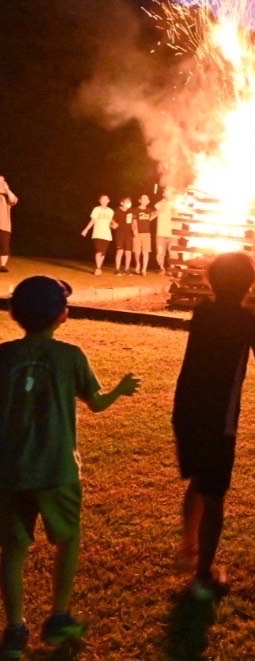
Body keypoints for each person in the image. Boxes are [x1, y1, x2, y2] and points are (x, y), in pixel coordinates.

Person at [0, 276, 140, 657]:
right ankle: (59, 616)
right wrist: (120, 390)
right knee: (68, 539)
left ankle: (14, 628)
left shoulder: (3, 355)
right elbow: (95, 403)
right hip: (57, 469)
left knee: (13, 549)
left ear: (16, 313)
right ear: (62, 314)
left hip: (9, 471)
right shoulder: (71, 356)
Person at [172, 252, 255, 599]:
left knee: (199, 480)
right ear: (249, 284)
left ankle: (188, 547)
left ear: (212, 281)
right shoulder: (246, 321)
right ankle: (203, 574)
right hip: (217, 418)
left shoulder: (202, 314)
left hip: (186, 410)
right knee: (214, 495)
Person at [81, 195, 114, 276]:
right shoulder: (96, 209)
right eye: (102, 199)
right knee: (98, 250)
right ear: (100, 201)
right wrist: (86, 229)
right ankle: (98, 268)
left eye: (106, 199)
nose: (104, 201)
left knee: (103, 253)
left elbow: (110, 223)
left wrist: (113, 225)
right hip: (97, 233)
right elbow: (92, 220)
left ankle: (99, 268)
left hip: (107, 234)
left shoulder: (111, 211)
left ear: (108, 200)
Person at [152, 187, 175, 274]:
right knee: (160, 252)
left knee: (173, 253)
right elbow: (154, 214)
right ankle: (162, 268)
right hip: (161, 232)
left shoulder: (176, 204)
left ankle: (172, 269)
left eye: (169, 191)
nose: (167, 193)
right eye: (166, 192)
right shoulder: (160, 203)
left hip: (172, 233)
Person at [0, 176, 18, 273]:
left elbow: (14, 200)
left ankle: (2, 266)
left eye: (2, 181)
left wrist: (7, 189)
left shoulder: (7, 196)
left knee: (4, 246)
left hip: (3, 225)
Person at [111, 197, 134, 275]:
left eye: (129, 201)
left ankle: (127, 269)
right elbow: (112, 220)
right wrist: (113, 224)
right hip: (120, 233)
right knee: (120, 251)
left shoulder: (131, 211)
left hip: (129, 234)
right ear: (122, 203)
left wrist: (135, 231)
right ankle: (117, 269)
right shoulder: (118, 211)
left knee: (128, 252)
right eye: (127, 201)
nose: (129, 203)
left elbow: (133, 221)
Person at [132, 194, 153, 276]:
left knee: (146, 252)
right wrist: (135, 230)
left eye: (147, 199)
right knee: (137, 252)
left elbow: (151, 218)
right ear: (140, 200)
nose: (145, 200)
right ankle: (138, 264)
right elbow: (134, 220)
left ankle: (144, 269)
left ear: (148, 201)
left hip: (147, 234)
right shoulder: (135, 210)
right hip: (138, 233)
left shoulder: (149, 210)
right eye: (143, 199)